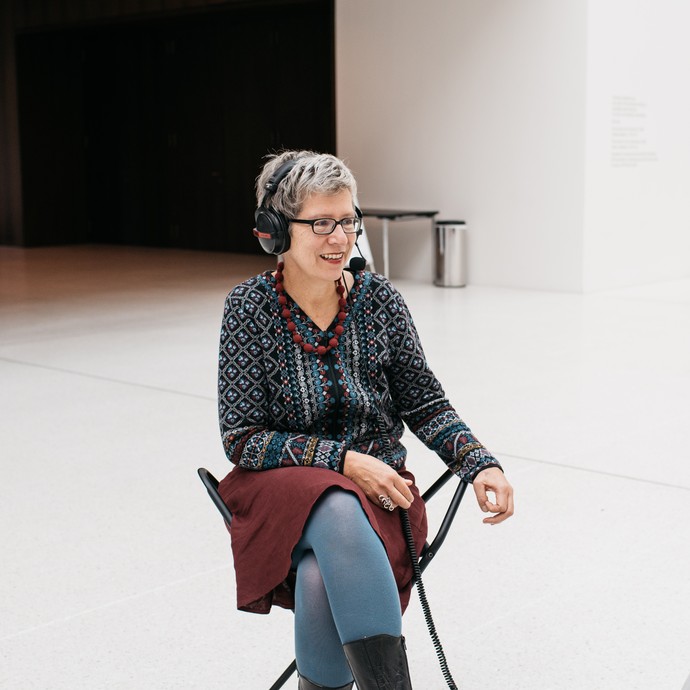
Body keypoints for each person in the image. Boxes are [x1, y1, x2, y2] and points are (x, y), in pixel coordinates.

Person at [217, 150, 514, 690]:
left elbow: (425, 402)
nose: (340, 238)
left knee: (315, 581)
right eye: (322, 224)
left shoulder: (381, 303)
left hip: (382, 498)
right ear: (277, 231)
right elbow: (242, 438)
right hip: (281, 493)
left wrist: (478, 462)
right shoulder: (248, 309)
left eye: (349, 222)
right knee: (334, 503)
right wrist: (347, 463)